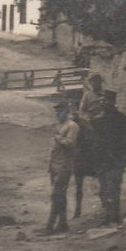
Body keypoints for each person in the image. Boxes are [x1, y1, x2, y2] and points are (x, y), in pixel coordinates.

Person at [96, 90, 126, 225]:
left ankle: (114, 216)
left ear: (112, 102)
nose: (103, 103)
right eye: (102, 100)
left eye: (106, 100)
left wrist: (121, 151)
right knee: (103, 188)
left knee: (113, 187)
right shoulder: (99, 119)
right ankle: (107, 215)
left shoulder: (120, 118)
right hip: (102, 160)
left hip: (116, 160)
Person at [45, 99, 79, 234]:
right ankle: (63, 223)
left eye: (61, 111)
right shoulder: (58, 125)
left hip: (65, 165)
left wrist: (58, 138)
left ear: (67, 111)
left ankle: (50, 226)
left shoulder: (72, 126)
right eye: (57, 111)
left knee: (56, 195)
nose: (58, 114)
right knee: (60, 196)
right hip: (54, 165)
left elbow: (70, 143)